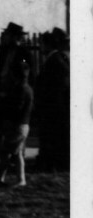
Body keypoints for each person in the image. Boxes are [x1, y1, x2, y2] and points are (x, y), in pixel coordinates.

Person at [0, 22, 34, 165]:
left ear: (14, 37)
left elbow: (26, 72)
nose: (4, 37)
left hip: (14, 95)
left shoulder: (24, 53)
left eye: (7, 35)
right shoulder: (4, 51)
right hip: (1, 93)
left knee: (13, 128)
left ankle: (15, 158)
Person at [34, 28, 70, 172]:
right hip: (53, 106)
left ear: (48, 45)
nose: (40, 47)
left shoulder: (56, 60)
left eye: (42, 44)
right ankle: (49, 162)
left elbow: (57, 85)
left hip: (53, 107)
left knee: (53, 136)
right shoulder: (55, 59)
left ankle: (52, 164)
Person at [0, 56, 33, 187]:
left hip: (16, 125)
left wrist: (4, 101)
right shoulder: (27, 88)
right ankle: (2, 178)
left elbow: (16, 108)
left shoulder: (20, 90)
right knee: (13, 153)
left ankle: (18, 179)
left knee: (11, 153)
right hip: (23, 125)